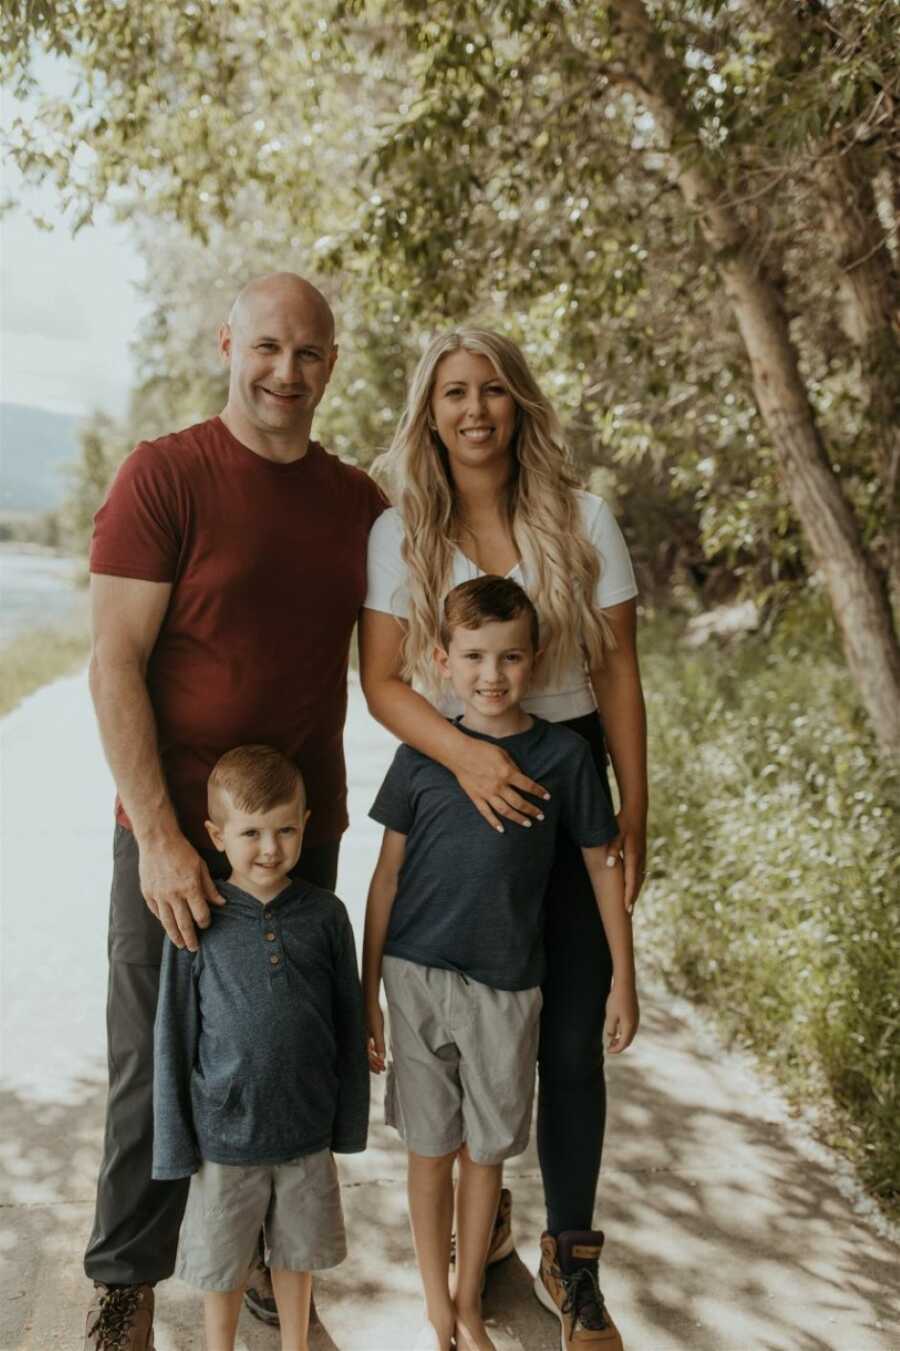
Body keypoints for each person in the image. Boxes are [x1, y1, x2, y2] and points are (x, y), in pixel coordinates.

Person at [83, 272, 385, 1351]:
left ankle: (268, 1268)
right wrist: (161, 836)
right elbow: (113, 662)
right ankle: (126, 1280)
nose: (285, 373)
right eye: (266, 347)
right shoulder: (164, 476)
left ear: (331, 365)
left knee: (284, 1056)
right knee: (155, 1060)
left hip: (301, 834)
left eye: (307, 354)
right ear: (226, 345)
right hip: (174, 835)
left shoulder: (358, 504)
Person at [359, 329, 648, 1350]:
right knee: (460, 1003)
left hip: (564, 764)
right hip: (454, 756)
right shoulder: (400, 535)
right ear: (428, 412)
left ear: (519, 402)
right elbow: (384, 680)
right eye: (452, 393)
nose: (474, 408)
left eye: (491, 390)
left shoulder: (583, 519)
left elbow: (616, 671)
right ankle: (471, 1245)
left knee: (568, 1035)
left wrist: (635, 804)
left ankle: (575, 1261)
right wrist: (469, 760)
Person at [153, 745, 368, 1351]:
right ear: (217, 835)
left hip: (305, 1131)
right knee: (220, 1266)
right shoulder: (197, 920)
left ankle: (295, 1344)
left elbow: (348, 1027)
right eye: (251, 833)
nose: (269, 848)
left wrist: (347, 1125)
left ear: (305, 826)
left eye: (285, 830)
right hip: (225, 1136)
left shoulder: (327, 916)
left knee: (296, 1260)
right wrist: (174, 1145)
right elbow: (173, 1036)